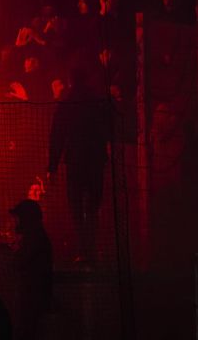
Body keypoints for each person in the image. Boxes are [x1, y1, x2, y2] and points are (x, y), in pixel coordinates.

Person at [48, 65, 112, 263]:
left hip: (75, 162)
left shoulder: (67, 103)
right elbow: (109, 127)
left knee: (76, 208)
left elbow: (57, 136)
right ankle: (91, 249)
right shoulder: (98, 101)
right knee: (93, 206)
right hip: (95, 161)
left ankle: (84, 251)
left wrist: (53, 166)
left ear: (70, 80)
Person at [8, 200, 52, 340]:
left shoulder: (34, 238)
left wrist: (9, 255)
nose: (16, 222)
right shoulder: (35, 236)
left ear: (26, 218)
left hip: (33, 301)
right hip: (34, 300)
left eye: (18, 218)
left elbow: (18, 262)